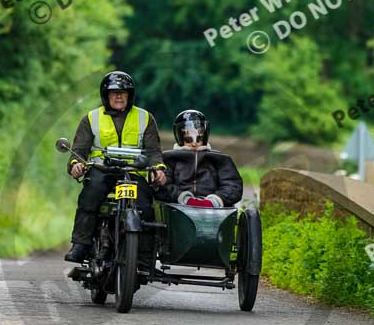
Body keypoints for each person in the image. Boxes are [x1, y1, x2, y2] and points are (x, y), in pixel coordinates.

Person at [64, 71, 167, 263]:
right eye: (113, 92)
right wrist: (76, 165)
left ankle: (144, 258)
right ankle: (81, 244)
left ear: (130, 95)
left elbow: (154, 152)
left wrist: (159, 169)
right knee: (90, 196)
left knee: (145, 207)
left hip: (132, 173)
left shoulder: (145, 118)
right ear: (106, 95)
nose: (119, 96)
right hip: (101, 171)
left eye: (123, 92)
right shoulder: (91, 118)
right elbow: (78, 150)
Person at [154, 109, 243, 208]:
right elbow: (163, 185)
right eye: (188, 139)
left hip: (215, 211)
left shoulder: (221, 159)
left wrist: (215, 201)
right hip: (178, 209)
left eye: (199, 138)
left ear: (205, 137)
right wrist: (184, 199)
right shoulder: (168, 158)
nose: (194, 143)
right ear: (180, 137)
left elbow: (233, 185)